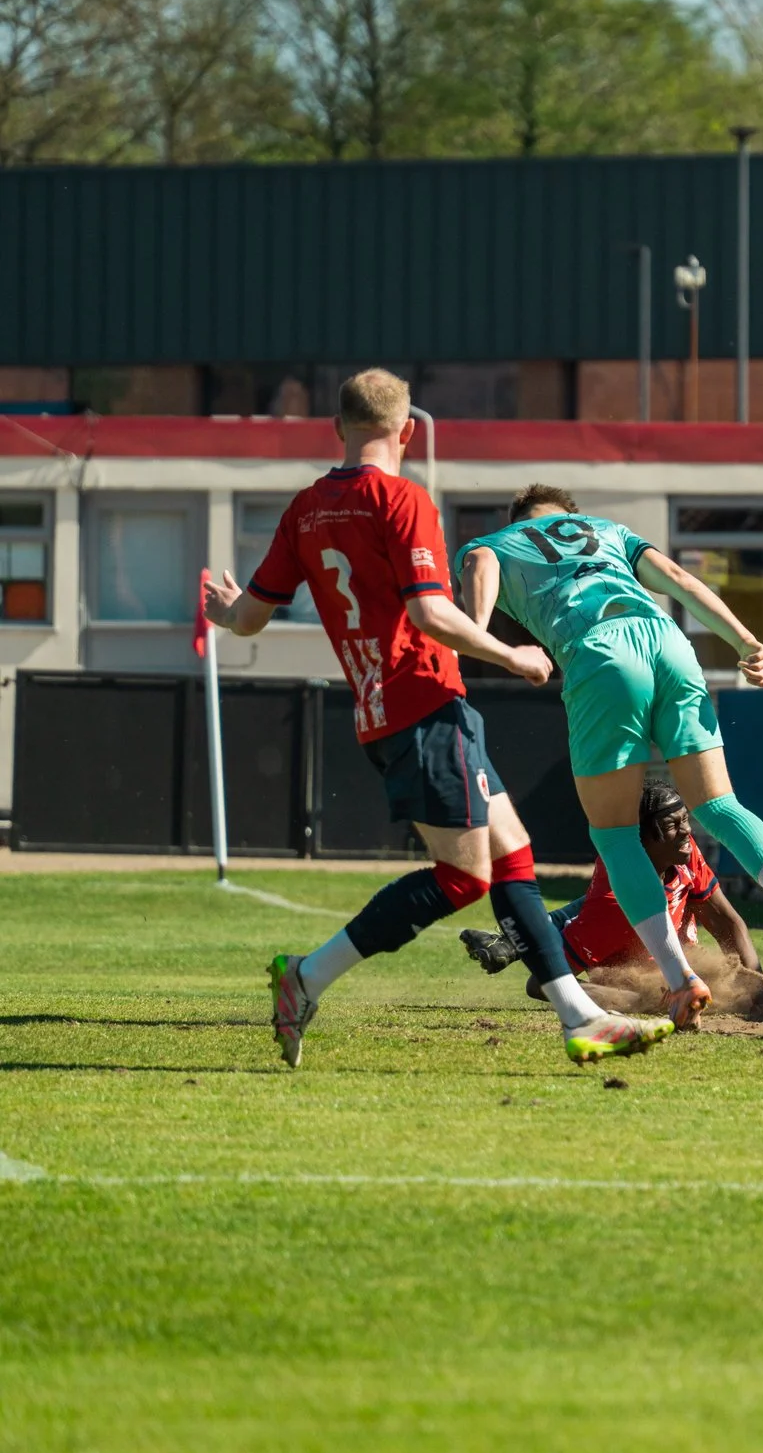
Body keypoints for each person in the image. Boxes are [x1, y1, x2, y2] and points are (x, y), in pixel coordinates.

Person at [202, 369, 670, 1069]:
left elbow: (248, 618)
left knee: (512, 851)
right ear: (408, 431)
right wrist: (513, 655)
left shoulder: (304, 509)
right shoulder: (402, 497)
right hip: (424, 703)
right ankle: (305, 975)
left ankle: (578, 1015)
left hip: (384, 709)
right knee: (463, 878)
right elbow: (429, 613)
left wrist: (223, 610)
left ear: (337, 427)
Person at [461, 483, 763, 1025]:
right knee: (719, 805)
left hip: (601, 653)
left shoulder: (494, 543)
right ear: (572, 517)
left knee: (616, 836)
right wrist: (745, 642)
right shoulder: (609, 532)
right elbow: (683, 582)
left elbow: (477, 582)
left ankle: (678, 979)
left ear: (520, 519)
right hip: (669, 642)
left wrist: (489, 646)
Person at [461, 780, 763, 1018]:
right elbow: (541, 984)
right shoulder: (613, 906)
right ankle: (517, 938)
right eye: (673, 825)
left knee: (759, 991)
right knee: (723, 997)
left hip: (680, 969)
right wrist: (636, 1003)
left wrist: (759, 988)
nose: (688, 831)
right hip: (645, 976)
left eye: (686, 819)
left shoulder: (686, 856)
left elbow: (728, 924)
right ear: (643, 839)